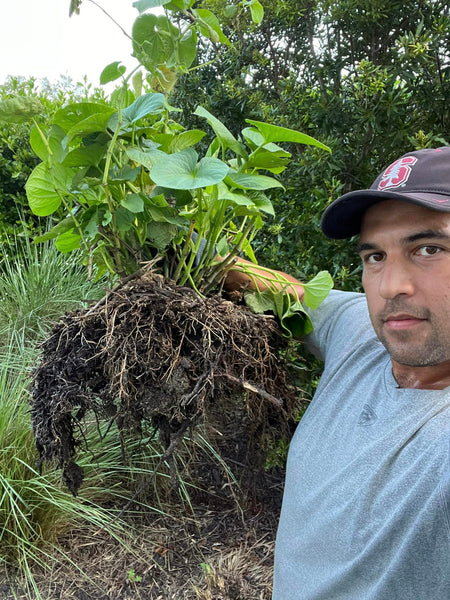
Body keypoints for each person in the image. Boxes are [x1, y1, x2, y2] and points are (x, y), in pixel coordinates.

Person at [229, 147, 450, 599]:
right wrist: (185, 252)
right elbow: (287, 291)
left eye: (429, 249)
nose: (390, 287)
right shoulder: (361, 336)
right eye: (375, 257)